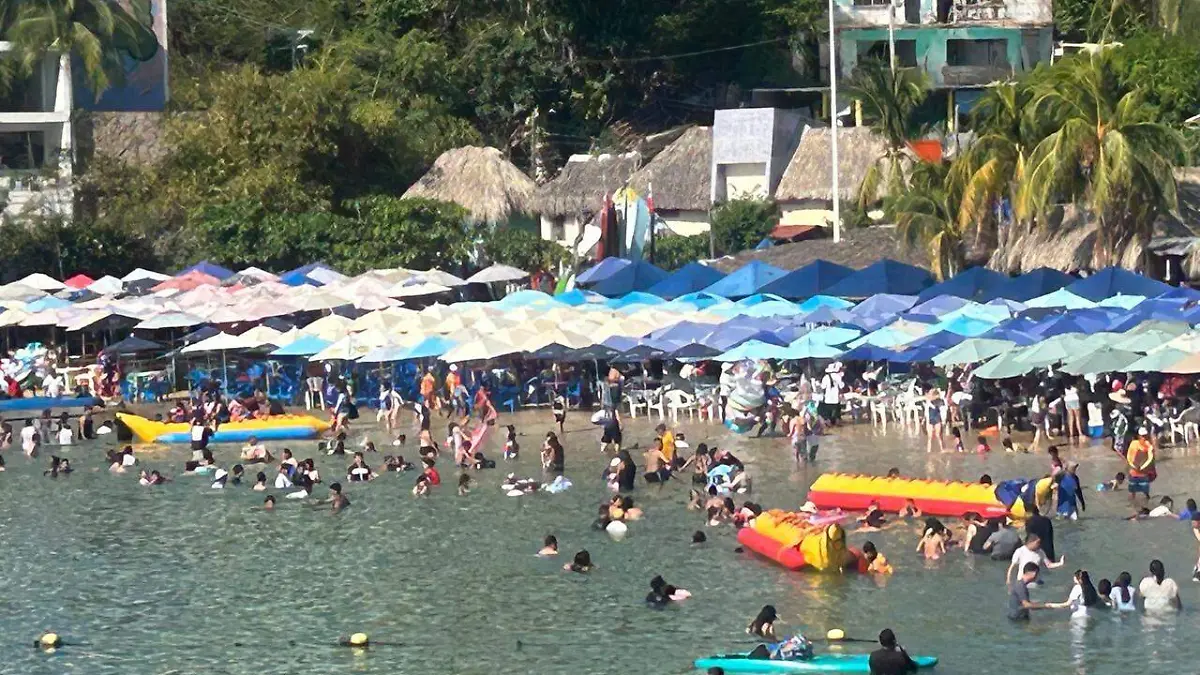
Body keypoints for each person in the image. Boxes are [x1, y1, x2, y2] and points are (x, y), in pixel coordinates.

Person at [1126, 426, 1156, 504]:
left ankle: (1147, 500)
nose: (1144, 438)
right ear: (1139, 436)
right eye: (1143, 436)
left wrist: (1142, 467)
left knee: (1145, 490)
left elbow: (1150, 458)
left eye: (1145, 436)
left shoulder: (1149, 446)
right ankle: (1132, 501)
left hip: (1143, 471)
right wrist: (1133, 465)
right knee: (1132, 490)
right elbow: (1129, 456)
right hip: (1134, 470)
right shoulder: (1134, 444)